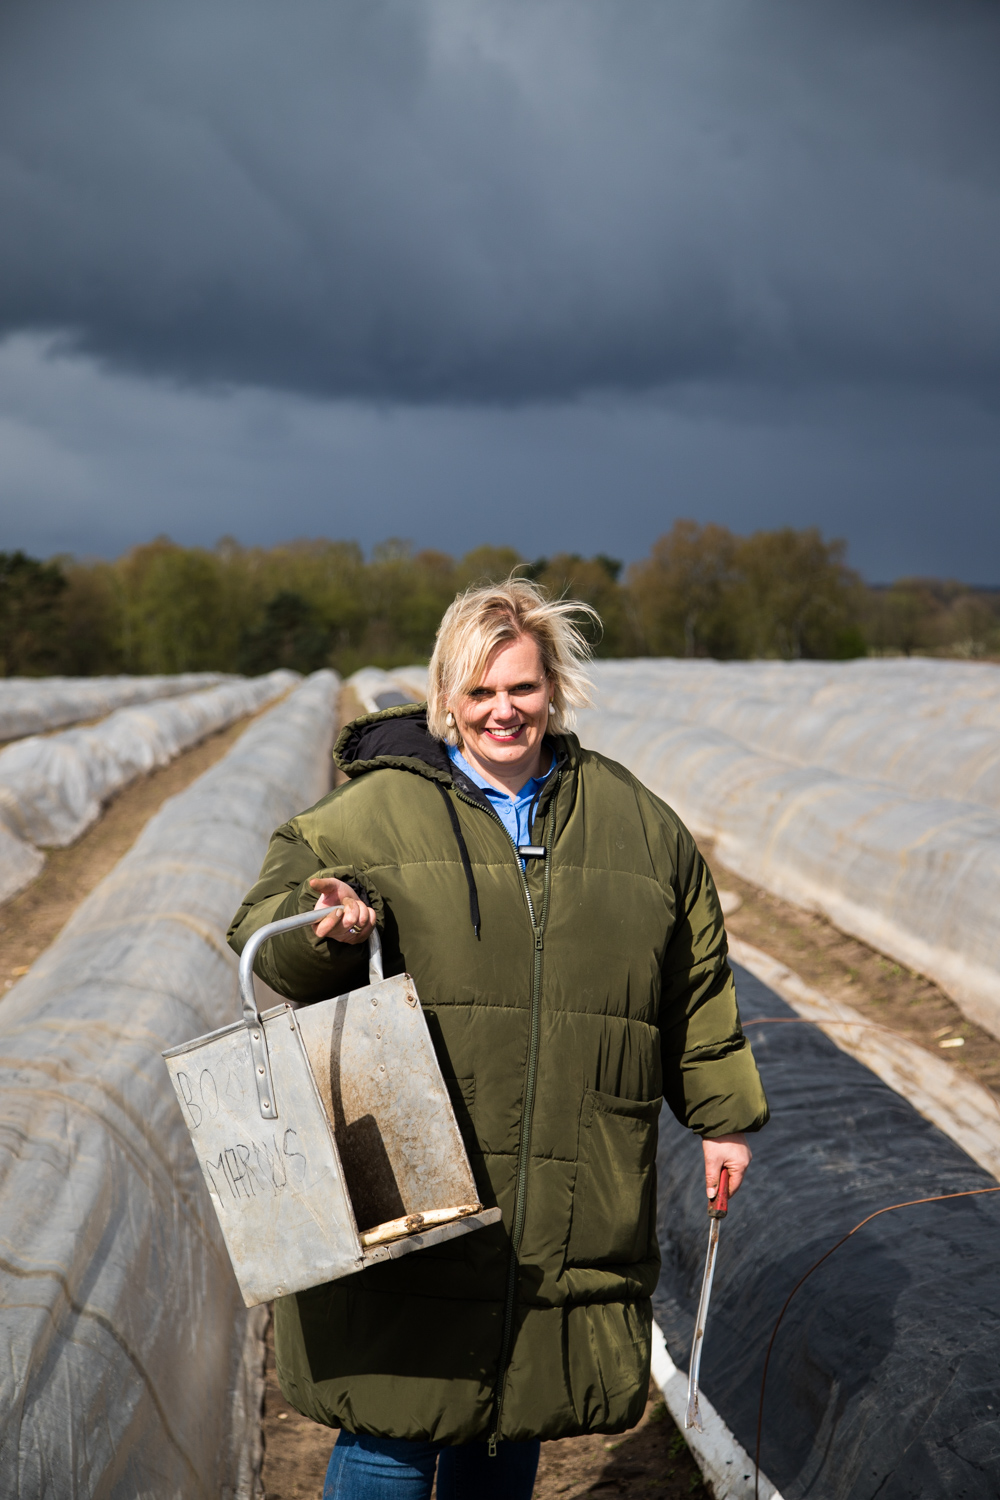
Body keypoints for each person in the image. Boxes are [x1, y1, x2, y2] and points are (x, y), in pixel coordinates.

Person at [227, 577, 768, 1500]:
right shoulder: (367, 816)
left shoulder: (637, 827)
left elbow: (695, 978)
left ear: (553, 688)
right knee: (392, 1435)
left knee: (511, 1423)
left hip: (566, 1181)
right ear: (446, 696)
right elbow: (263, 934)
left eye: (520, 687)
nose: (501, 711)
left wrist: (722, 1119)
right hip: (412, 1178)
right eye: (479, 692)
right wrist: (331, 931)